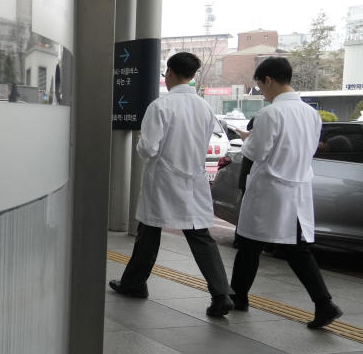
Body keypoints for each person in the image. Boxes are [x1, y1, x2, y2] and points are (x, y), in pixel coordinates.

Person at [109, 52, 235, 317]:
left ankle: (134, 283)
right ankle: (221, 293)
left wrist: (141, 141)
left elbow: (149, 149)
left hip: (164, 180)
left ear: (170, 73)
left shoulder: (161, 106)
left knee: (149, 232)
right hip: (193, 180)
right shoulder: (204, 107)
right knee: (200, 236)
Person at [229, 57, 342, 329]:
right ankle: (323, 303)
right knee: (291, 248)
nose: (262, 92)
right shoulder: (310, 113)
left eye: (260, 85)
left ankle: (240, 298)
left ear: (268, 80)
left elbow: (257, 152)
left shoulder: (271, 114)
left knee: (251, 244)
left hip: (270, 190)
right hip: (298, 189)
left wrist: (247, 140)